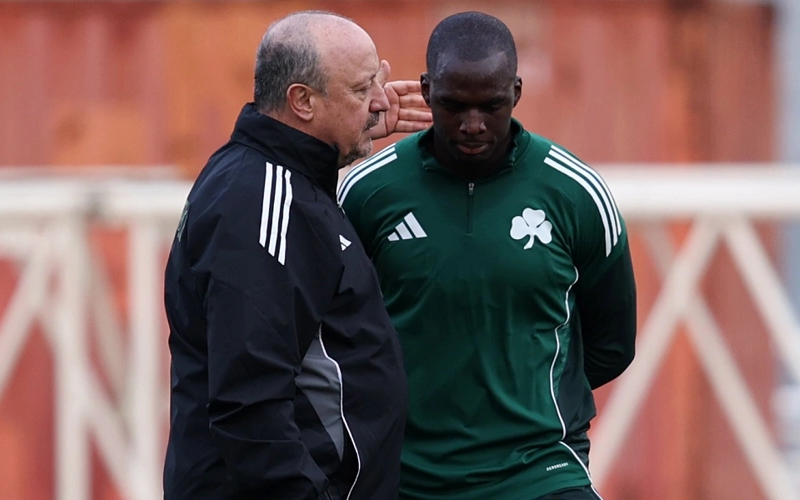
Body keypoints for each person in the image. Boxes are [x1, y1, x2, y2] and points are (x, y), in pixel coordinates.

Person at [339, 11, 637, 500]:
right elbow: (328, 333)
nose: (473, 125)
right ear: (427, 90)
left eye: (491, 106)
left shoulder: (576, 192)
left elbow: (612, 345)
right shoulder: (366, 191)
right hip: (405, 476)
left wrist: (521, 397)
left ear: (516, 92)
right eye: (454, 105)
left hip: (541, 472)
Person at [163, 11, 431, 500]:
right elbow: (249, 405)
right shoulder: (264, 201)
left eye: (378, 80)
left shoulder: (281, 178)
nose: (380, 100)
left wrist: (354, 128)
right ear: (303, 101)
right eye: (361, 89)